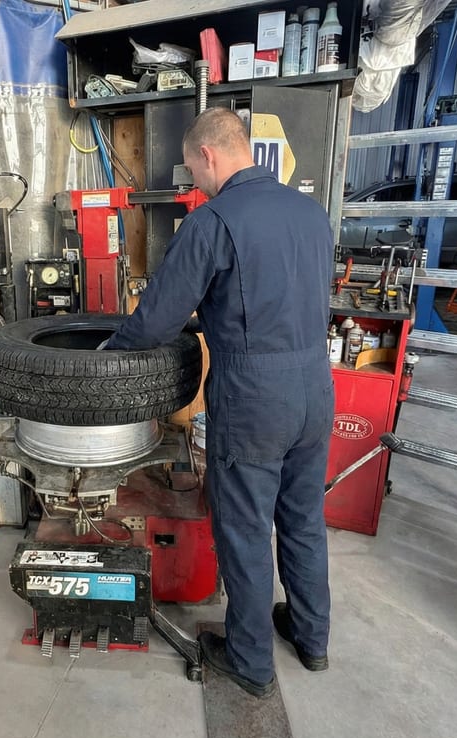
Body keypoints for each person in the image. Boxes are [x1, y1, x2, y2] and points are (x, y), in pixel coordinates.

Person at [103, 107, 334, 698]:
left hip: (257, 399)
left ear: (208, 155)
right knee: (303, 519)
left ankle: (252, 663)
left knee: (247, 530)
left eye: (191, 170)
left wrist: (109, 350)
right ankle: (312, 640)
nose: (194, 183)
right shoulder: (311, 213)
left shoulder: (214, 222)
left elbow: (157, 318)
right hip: (315, 385)